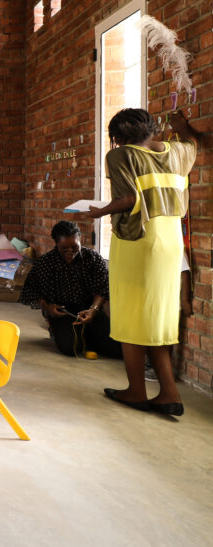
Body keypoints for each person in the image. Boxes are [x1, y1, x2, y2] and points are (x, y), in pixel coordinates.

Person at [88, 109, 205, 416]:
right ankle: (168, 392)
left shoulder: (121, 156)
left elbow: (128, 200)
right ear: (151, 129)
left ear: (118, 137)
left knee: (131, 318)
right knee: (156, 318)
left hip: (139, 241)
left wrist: (98, 213)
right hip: (170, 242)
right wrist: (183, 127)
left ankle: (136, 391)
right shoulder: (178, 150)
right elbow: (194, 142)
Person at [18, 221, 121, 358]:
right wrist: (47, 308)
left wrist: (93, 309)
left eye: (74, 247)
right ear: (56, 244)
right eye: (64, 249)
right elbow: (31, 291)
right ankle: (58, 330)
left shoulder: (93, 259)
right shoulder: (46, 263)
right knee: (71, 348)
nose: (70, 252)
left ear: (81, 240)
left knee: (117, 350)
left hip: (89, 309)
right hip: (62, 311)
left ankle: (87, 333)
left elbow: (102, 288)